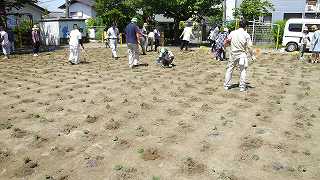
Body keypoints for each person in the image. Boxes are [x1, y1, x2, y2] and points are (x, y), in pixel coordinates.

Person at [224, 20, 255, 92]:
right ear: (246, 26)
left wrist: (225, 47)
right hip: (242, 55)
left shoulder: (232, 32)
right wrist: (252, 56)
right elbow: (249, 47)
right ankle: (242, 87)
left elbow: (226, 41)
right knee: (242, 70)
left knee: (229, 69)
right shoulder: (246, 35)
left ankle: (226, 85)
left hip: (233, 54)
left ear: (239, 25)